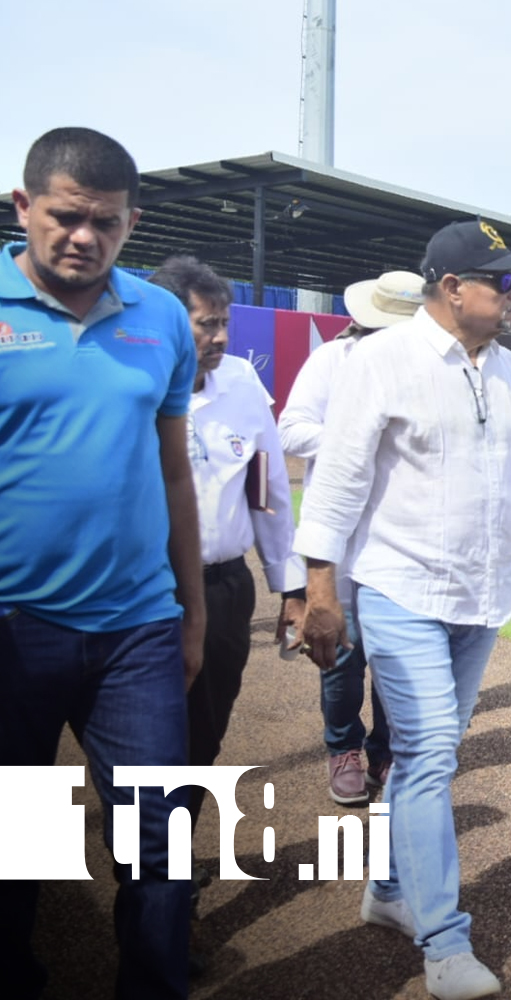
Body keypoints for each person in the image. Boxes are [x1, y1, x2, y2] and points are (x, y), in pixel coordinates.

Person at [295, 220, 511, 1000]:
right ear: (450, 289)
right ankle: (443, 942)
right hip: (402, 588)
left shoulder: (506, 369)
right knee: (433, 753)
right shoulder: (380, 360)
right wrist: (321, 592)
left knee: (423, 756)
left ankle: (390, 890)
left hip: (485, 592)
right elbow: (334, 481)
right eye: (501, 281)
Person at [0, 127, 203, 998]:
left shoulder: (158, 315)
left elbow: (173, 468)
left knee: (160, 838)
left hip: (138, 631)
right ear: (23, 207)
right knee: (20, 837)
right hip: (14, 628)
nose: (85, 238)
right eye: (66, 217)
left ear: (131, 224)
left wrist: (192, 609)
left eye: (108, 224)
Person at [147, 255, 306, 832]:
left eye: (223, 323)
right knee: (137, 741)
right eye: (205, 324)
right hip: (143, 594)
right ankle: (151, 867)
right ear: (166, 322)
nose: (219, 337)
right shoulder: (130, 383)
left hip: (223, 590)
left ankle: (168, 849)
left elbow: (267, 492)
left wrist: (289, 586)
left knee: (204, 733)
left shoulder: (241, 382)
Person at [279, 270, 422, 805]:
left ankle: (385, 750)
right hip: (340, 539)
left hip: (402, 540)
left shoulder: (426, 368)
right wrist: (356, 438)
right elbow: (291, 428)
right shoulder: (332, 360)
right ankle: (343, 749)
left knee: (397, 656)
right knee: (339, 653)